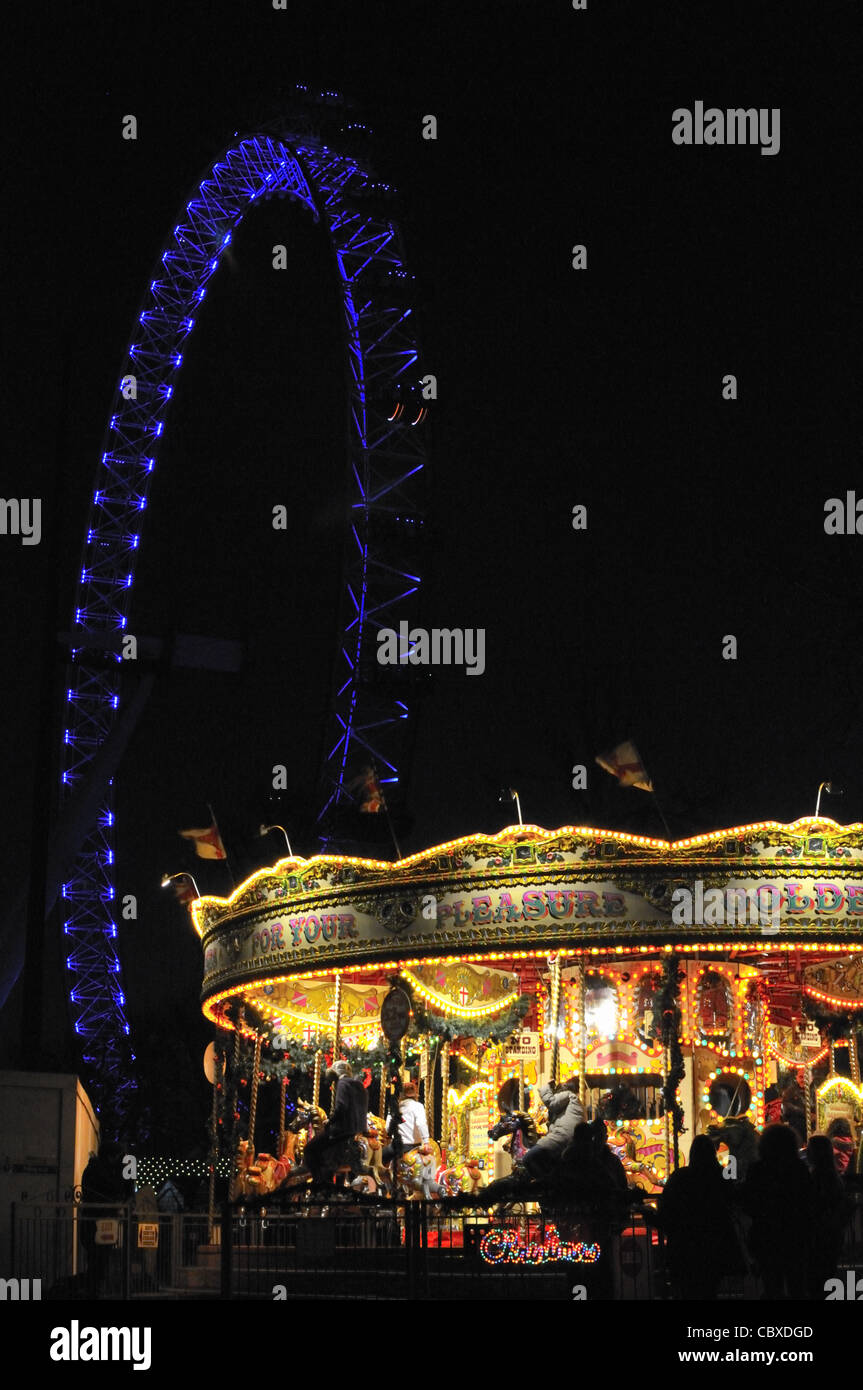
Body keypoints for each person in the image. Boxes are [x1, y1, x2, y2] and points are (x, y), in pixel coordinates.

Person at [658, 1135, 745, 1300]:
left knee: (688, 1289)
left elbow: (667, 1206)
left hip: (685, 1242)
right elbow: (731, 1197)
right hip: (714, 1241)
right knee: (710, 1287)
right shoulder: (721, 1175)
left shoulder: (680, 1177)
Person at [740, 1123, 815, 1299]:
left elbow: (749, 1201)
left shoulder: (758, 1170)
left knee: (772, 1283)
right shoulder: (798, 1169)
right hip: (794, 1234)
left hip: (767, 1235)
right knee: (796, 1283)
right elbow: (807, 1199)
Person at [303, 1060, 369, 1183]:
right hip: (359, 1129)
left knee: (309, 1149)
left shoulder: (343, 1083)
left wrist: (329, 1121)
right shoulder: (360, 1086)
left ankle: (319, 1181)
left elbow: (341, 1107)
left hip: (343, 1130)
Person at [806, 1133, 850, 1299]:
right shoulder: (832, 1177)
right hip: (830, 1234)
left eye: (810, 1150)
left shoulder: (819, 1177)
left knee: (817, 1277)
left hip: (820, 1234)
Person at [521, 1077, 585, 1180]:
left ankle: (545, 1182)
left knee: (528, 1158)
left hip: (562, 1136)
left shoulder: (569, 1095)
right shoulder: (574, 1104)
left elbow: (551, 1102)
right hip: (567, 1136)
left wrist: (546, 1087)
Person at [382, 1080, 429, 1165]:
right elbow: (421, 1124)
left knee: (379, 1158)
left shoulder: (395, 1107)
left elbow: (388, 1127)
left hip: (398, 1146)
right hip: (415, 1146)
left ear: (401, 1094)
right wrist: (426, 1142)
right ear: (415, 1093)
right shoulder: (418, 1106)